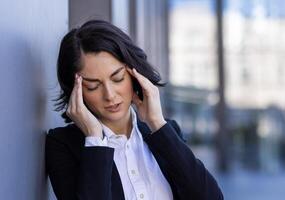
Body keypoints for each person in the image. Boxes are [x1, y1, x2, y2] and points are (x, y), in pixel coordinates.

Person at [45, 19, 223, 200]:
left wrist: (157, 124)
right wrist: (95, 139)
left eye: (118, 78)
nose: (110, 95)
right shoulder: (63, 145)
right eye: (93, 86)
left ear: (134, 74)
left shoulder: (165, 132)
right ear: (76, 91)